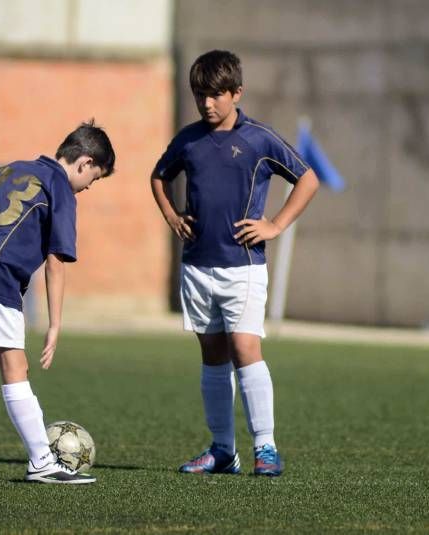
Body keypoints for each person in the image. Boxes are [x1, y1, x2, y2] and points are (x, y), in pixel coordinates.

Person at [150, 50, 319, 477]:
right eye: (199, 95)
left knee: (245, 348)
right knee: (212, 354)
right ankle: (223, 449)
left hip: (242, 266)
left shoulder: (259, 139)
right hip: (197, 266)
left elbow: (308, 178)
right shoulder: (187, 139)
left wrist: (276, 224)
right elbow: (158, 176)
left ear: (236, 93)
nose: (206, 104)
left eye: (215, 95)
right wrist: (172, 216)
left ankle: (266, 447)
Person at [0, 121, 115, 484]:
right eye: (93, 178)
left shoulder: (13, 167)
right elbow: (56, 260)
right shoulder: (59, 186)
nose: (88, 187)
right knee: (15, 366)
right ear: (84, 162)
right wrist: (55, 324)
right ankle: (42, 461)